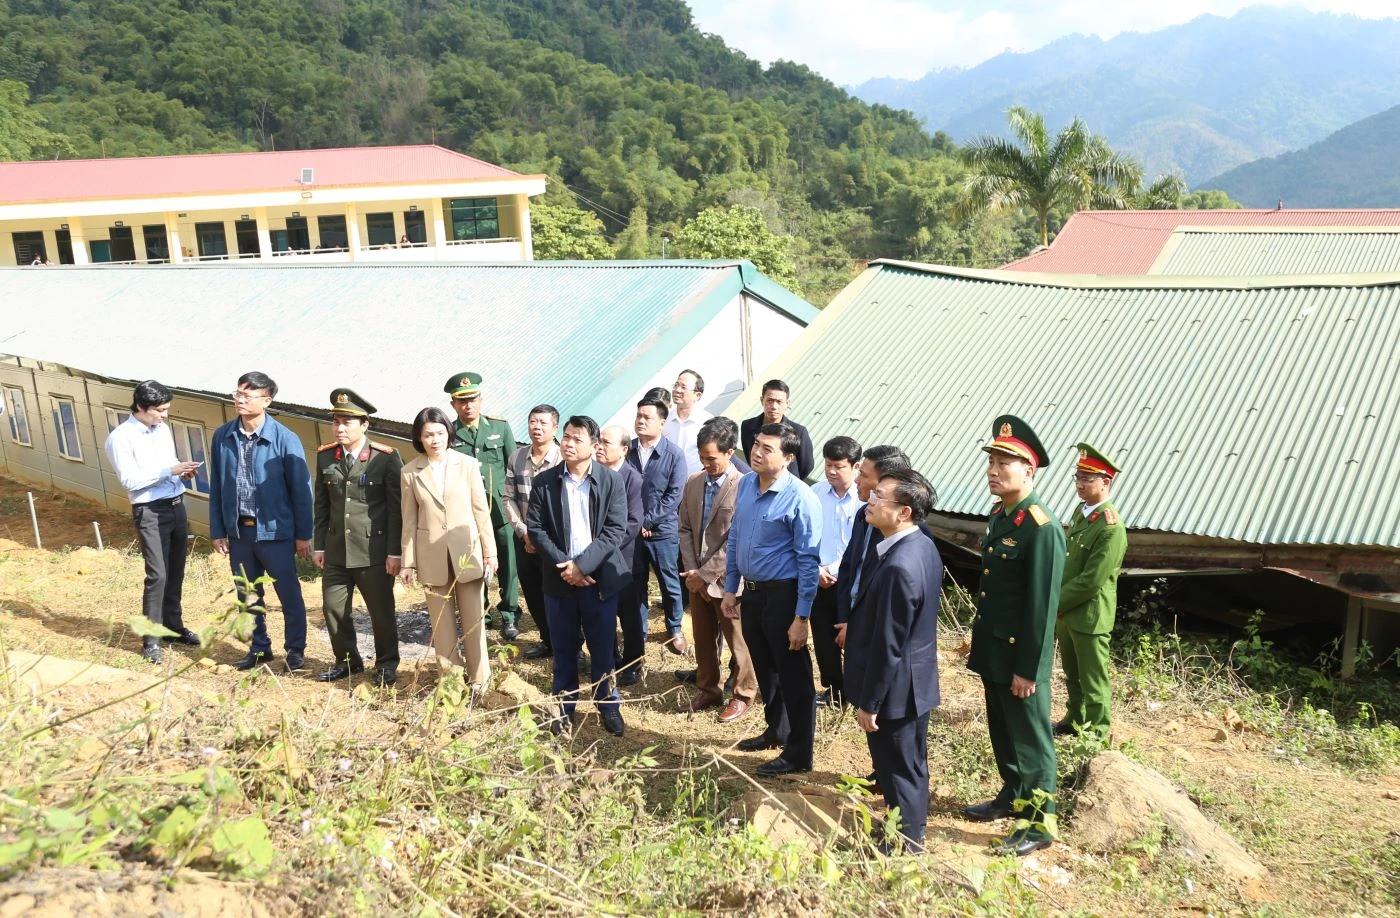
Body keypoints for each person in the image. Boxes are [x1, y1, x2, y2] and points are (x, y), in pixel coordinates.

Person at [963, 415, 1067, 857]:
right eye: (992, 460)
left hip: (1019, 657)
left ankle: (1039, 823)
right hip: (994, 649)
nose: (994, 469)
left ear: (1030, 470)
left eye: (1006, 462)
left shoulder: (1041, 528)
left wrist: (1029, 669)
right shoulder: (1003, 515)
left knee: (1030, 739)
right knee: (1002, 731)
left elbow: (1042, 609)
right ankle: (1012, 794)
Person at [846, 468, 943, 853]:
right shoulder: (921, 545)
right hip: (914, 681)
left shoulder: (900, 567)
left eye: (879, 496)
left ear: (904, 512)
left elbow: (889, 644)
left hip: (896, 688)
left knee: (898, 766)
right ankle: (906, 829)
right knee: (909, 763)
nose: (870, 500)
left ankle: (906, 843)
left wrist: (871, 703)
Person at [722, 423, 822, 776]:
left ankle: (799, 753)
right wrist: (730, 587)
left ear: (789, 457)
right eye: (756, 444)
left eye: (768, 448)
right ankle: (776, 730)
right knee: (765, 667)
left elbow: (809, 561)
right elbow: (736, 536)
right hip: (751, 593)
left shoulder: (800, 497)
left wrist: (802, 616)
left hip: (784, 595)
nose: (757, 451)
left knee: (794, 675)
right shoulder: (747, 483)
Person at [527, 416, 632, 737]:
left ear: (594, 445)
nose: (569, 444)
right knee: (564, 650)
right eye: (567, 438)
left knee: (603, 649)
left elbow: (615, 529)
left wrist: (583, 566)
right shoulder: (545, 481)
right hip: (559, 582)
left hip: (599, 581)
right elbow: (536, 529)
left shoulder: (611, 481)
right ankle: (564, 706)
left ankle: (608, 705)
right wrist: (567, 567)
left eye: (577, 439)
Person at [208, 371, 313, 673]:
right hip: (239, 532)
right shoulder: (223, 436)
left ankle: (295, 651)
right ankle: (259, 648)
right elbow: (218, 485)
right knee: (247, 595)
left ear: (266, 400)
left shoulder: (285, 438)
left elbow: (301, 491)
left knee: (289, 595)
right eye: (238, 393)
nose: (240, 399)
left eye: (248, 394)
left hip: (276, 533)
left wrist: (303, 534)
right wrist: (218, 529)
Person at [103, 380, 203, 663]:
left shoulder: (163, 430)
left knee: (176, 569)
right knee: (157, 574)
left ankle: (173, 625)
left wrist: (181, 472)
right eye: (159, 410)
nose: (164, 416)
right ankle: (151, 639)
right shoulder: (121, 438)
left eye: (166, 409)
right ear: (140, 407)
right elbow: (130, 480)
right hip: (150, 510)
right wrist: (167, 470)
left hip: (175, 504)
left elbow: (168, 463)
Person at [399, 407, 497, 690]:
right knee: (441, 625)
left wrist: (489, 553)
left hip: (466, 552)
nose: (435, 439)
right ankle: (452, 681)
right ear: (419, 438)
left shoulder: (466, 465)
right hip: (431, 555)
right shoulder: (410, 472)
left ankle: (480, 679)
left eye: (440, 433)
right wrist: (407, 562)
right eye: (428, 434)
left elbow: (482, 511)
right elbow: (409, 520)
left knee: (474, 621)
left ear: (448, 433)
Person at [312, 388, 403, 686]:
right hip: (337, 550)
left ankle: (387, 663)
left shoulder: (386, 458)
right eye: (336, 421)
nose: (339, 427)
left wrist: (395, 553)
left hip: (373, 552)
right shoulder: (326, 457)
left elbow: (396, 510)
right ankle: (347, 662)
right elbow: (321, 505)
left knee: (380, 612)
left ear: (364, 424)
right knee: (334, 609)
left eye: (347, 422)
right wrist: (320, 545)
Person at [677, 417, 759, 722]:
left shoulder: (746, 486)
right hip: (696, 580)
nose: (706, 464)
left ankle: (742, 693)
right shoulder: (693, 482)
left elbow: (738, 538)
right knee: (703, 637)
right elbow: (684, 528)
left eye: (711, 458)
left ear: (729, 451)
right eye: (702, 458)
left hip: (728, 581)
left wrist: (706, 572)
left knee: (738, 640)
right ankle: (708, 688)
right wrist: (691, 570)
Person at [1055, 443, 1128, 740]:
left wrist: (1054, 602)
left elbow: (1091, 580)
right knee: (1072, 674)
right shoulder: (1083, 513)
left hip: (1089, 615)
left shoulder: (1111, 527)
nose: (1080, 485)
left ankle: (1097, 731)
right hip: (1067, 613)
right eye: (1078, 478)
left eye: (1088, 479)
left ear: (1106, 482)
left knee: (1093, 678)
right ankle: (1075, 719)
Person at [444, 372, 520, 639]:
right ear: (453, 404)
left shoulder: (500, 428)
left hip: (501, 510)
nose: (468, 405)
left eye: (472, 399)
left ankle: (510, 614)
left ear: (481, 399)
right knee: (475, 563)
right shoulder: (449, 435)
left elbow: (514, 468)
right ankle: (482, 614)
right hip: (467, 514)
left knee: (509, 564)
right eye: (461, 401)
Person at [626, 395, 689, 654]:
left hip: (662, 530)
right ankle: (638, 629)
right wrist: (636, 523)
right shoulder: (627, 450)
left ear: (662, 423)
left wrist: (649, 520)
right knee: (635, 581)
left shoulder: (674, 455)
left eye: (647, 417)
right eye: (638, 416)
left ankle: (674, 627)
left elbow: (675, 495)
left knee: (669, 581)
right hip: (632, 531)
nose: (641, 421)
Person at [505, 405, 563, 661]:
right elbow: (508, 497)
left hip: (554, 542)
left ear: (555, 428)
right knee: (533, 593)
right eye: (532, 422)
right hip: (525, 540)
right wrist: (523, 532)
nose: (536, 427)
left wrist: (540, 536)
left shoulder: (564, 458)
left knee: (559, 596)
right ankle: (548, 640)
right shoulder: (516, 457)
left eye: (543, 422)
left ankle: (570, 646)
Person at [810, 436, 863, 708]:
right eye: (828, 465)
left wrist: (834, 568)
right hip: (820, 579)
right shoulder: (816, 493)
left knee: (854, 636)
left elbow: (862, 545)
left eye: (838, 466)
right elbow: (806, 536)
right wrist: (816, 568)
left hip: (853, 579)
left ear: (856, 467)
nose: (831, 471)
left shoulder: (865, 499)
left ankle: (857, 691)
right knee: (823, 637)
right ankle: (835, 691)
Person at [594, 425, 646, 684]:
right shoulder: (593, 474)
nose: (599, 446)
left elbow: (634, 522)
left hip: (623, 561)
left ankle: (634, 662)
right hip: (596, 560)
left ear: (624, 449)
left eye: (606, 442)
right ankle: (610, 659)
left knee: (629, 616)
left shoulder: (632, 478)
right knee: (603, 613)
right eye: (598, 441)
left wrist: (603, 547)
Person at [740, 380, 814, 480]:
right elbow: (750, 456)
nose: (774, 406)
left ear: (787, 403)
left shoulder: (799, 432)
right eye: (770, 400)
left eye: (779, 402)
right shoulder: (748, 426)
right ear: (762, 400)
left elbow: (806, 465)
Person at [663, 370, 712, 477]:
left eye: (683, 387)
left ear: (697, 395)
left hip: (696, 484)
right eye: (676, 385)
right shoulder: (664, 419)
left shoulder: (707, 423)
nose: (677, 390)